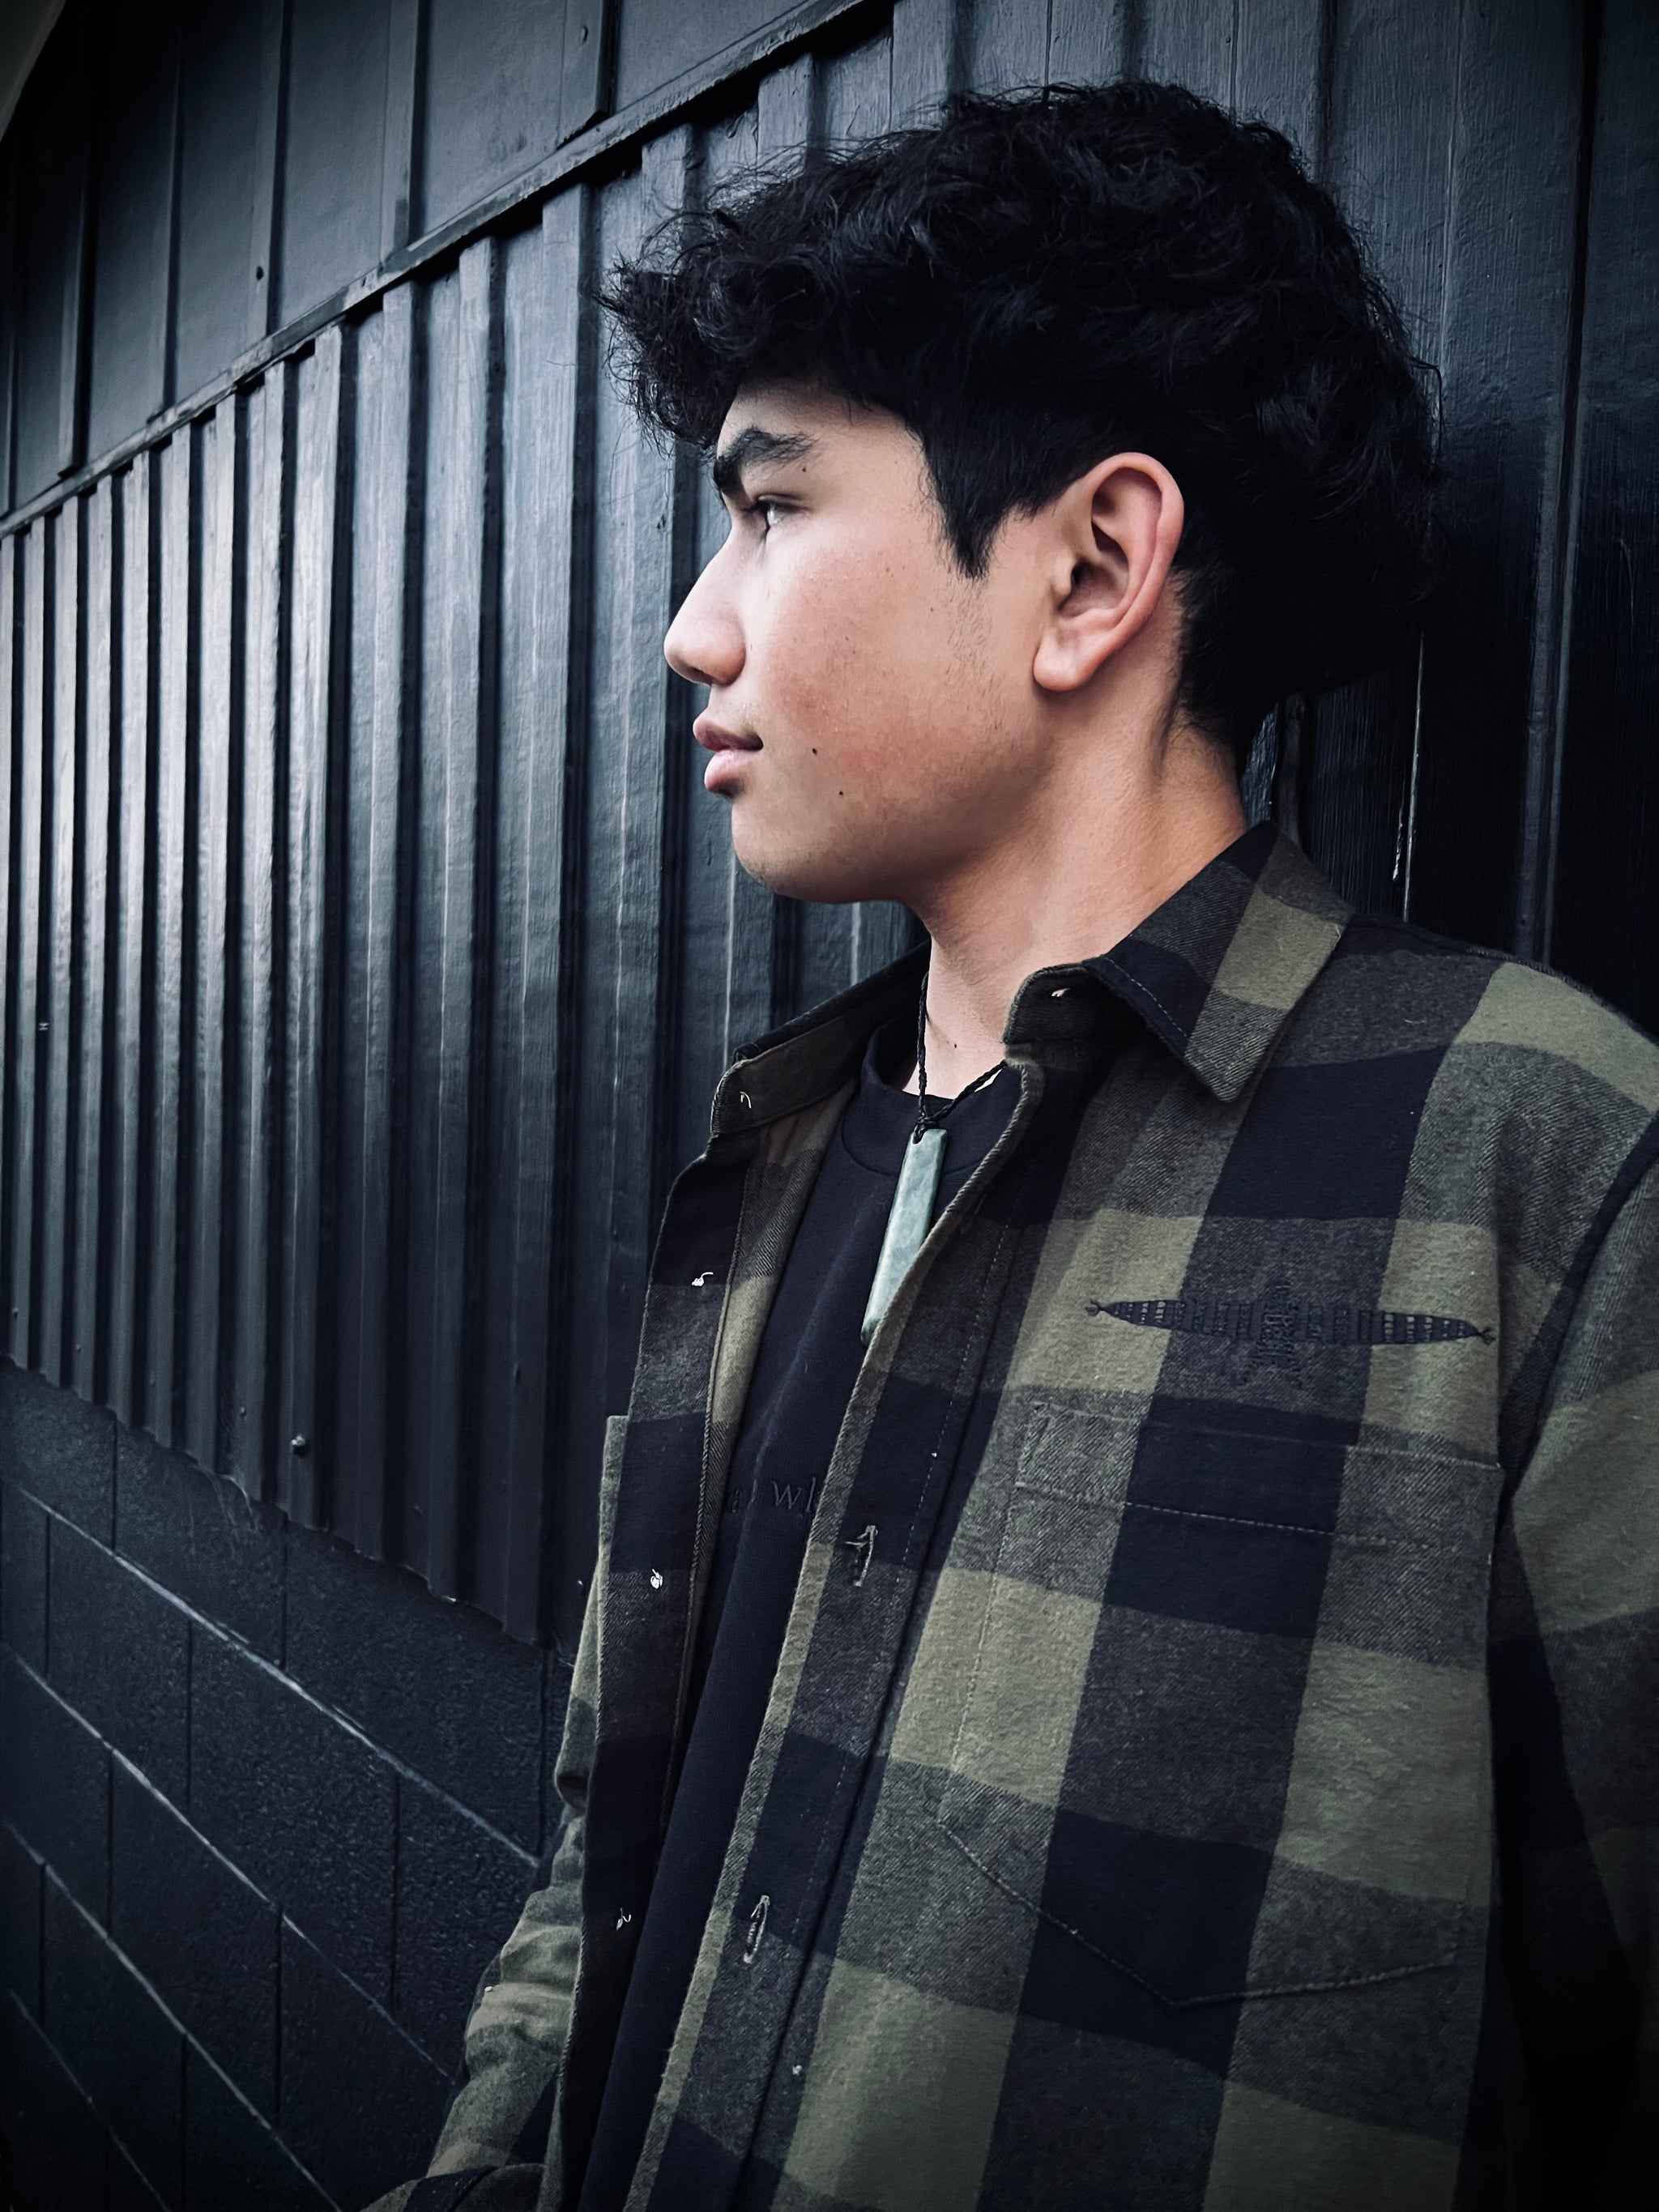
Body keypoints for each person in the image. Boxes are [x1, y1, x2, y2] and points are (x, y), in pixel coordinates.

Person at [370, 82, 1658, 2212]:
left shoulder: (1540, 1172)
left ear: (1090, 568)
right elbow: (612, 1868)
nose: (695, 625)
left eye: (772, 509)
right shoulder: (781, 1153)